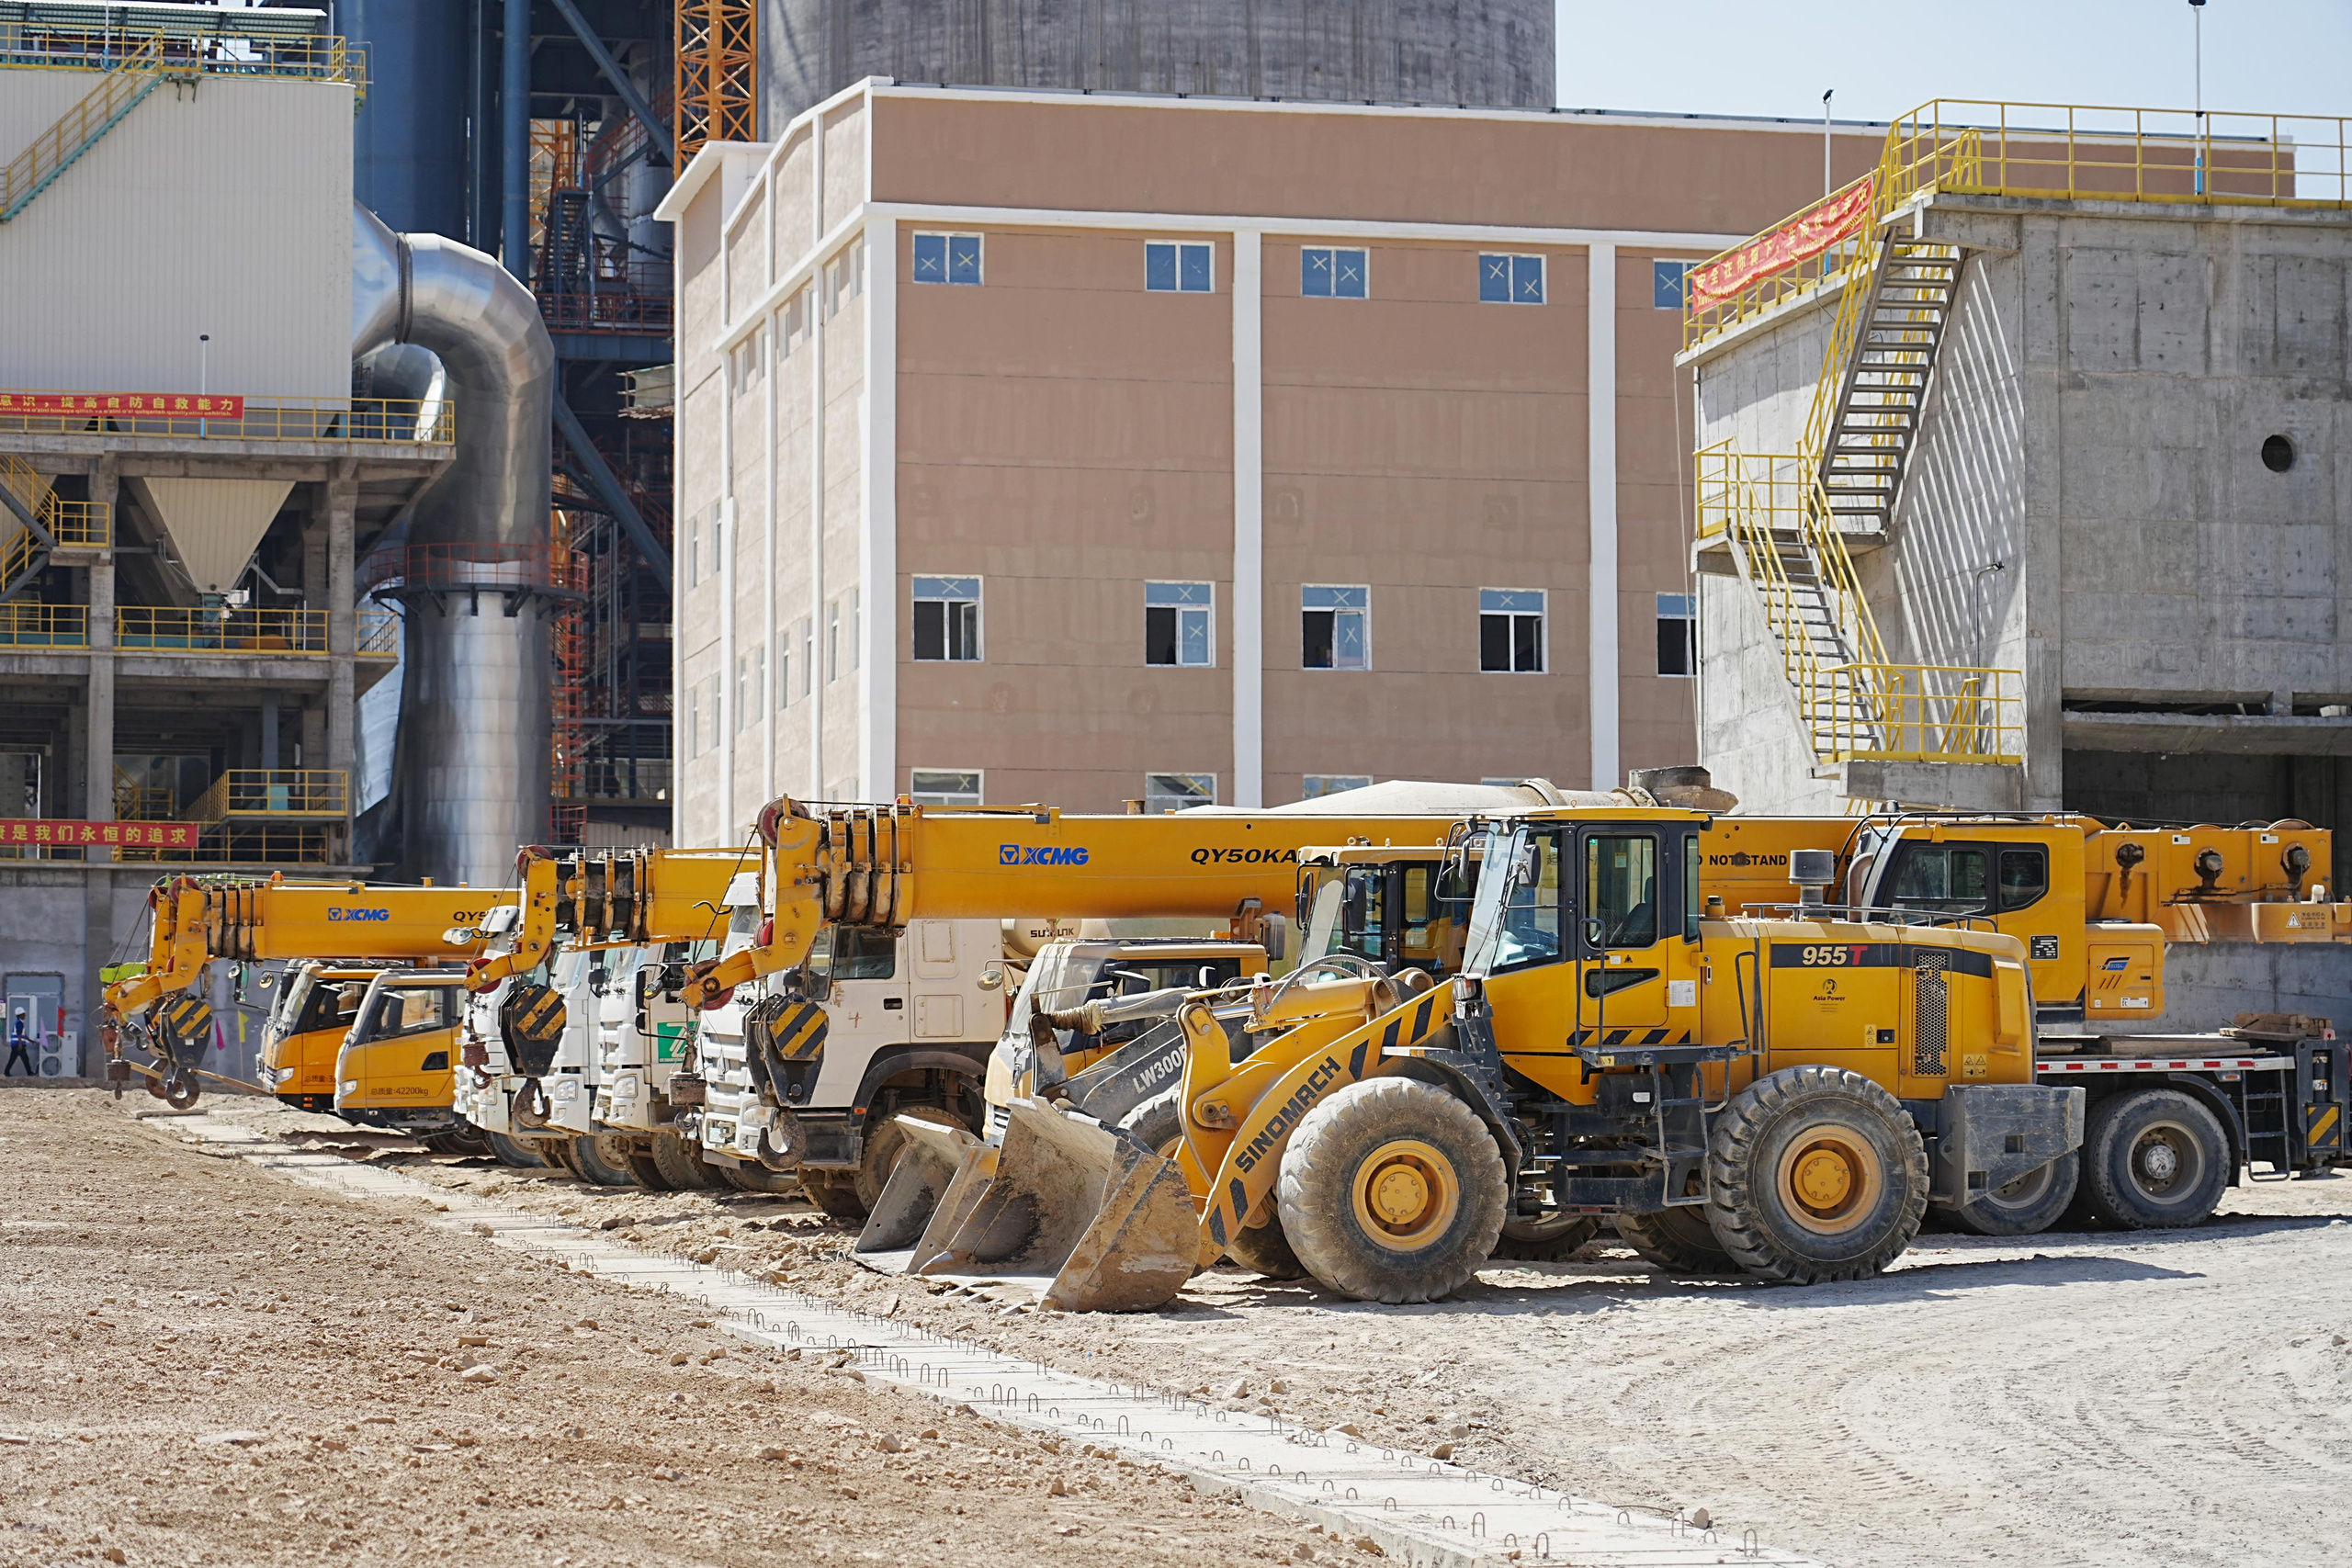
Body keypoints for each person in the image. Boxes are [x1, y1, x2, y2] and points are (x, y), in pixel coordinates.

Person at [4, 1009, 34, 1077]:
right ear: (19, 1015)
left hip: (17, 1044)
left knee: (16, 1059)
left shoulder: (19, 1023)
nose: (24, 1016)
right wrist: (20, 1044)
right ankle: (29, 1073)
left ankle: (6, 1072)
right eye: (23, 1014)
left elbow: (24, 1035)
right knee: (24, 1059)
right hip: (18, 1045)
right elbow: (19, 1034)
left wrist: (31, 1041)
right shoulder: (19, 1023)